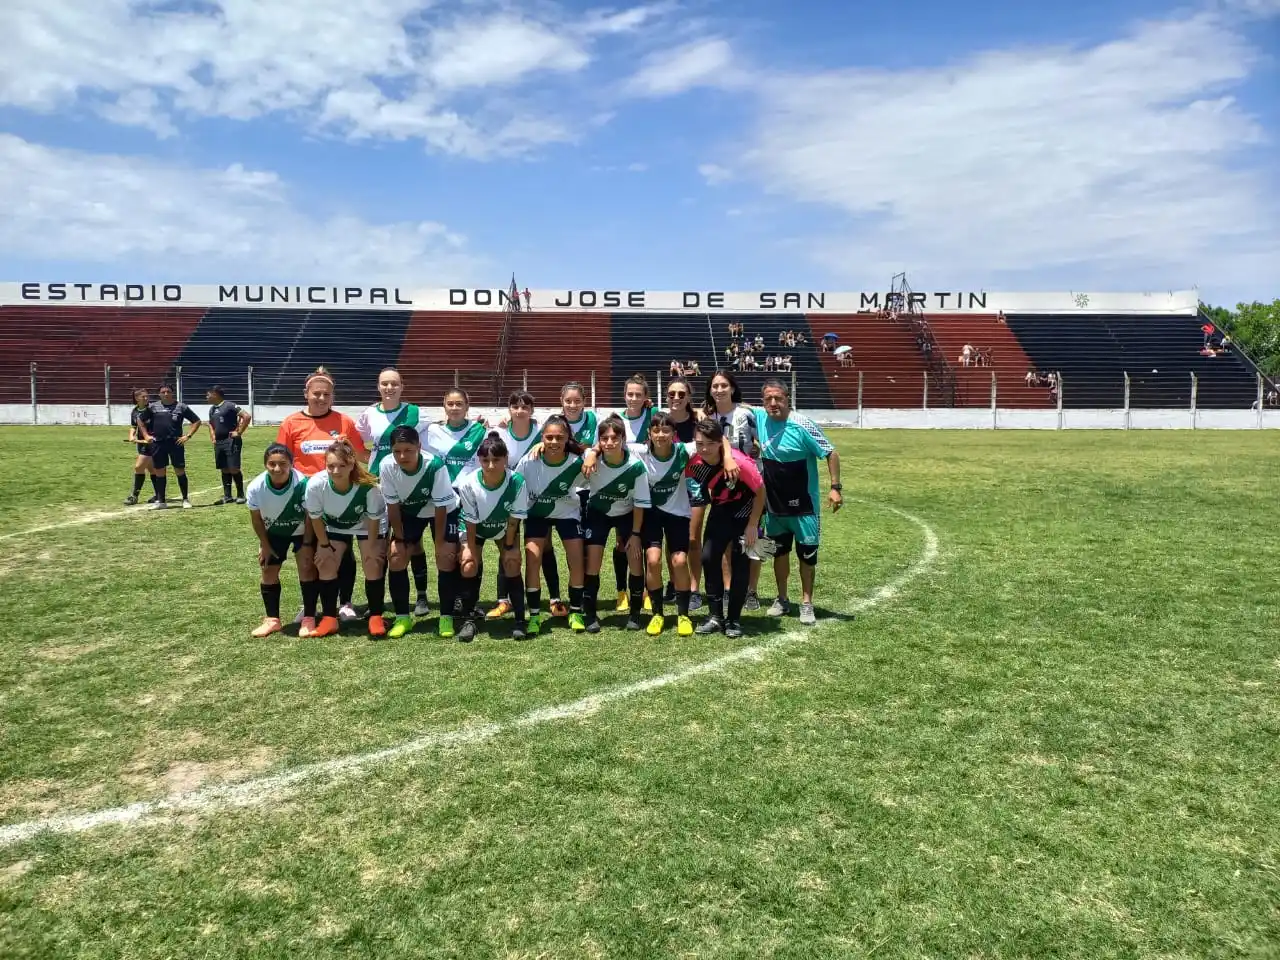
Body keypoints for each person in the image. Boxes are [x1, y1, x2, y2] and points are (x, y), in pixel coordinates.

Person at [276, 367, 367, 624]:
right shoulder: (291, 423)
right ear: (306, 394)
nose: (321, 398)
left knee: (343, 550)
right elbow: (281, 461)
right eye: (316, 393)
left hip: (339, 496)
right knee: (309, 552)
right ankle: (310, 605)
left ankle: (345, 603)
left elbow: (360, 456)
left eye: (326, 394)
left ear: (332, 396)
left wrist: (348, 446)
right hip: (305, 498)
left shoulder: (344, 422)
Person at [753, 379, 843, 625]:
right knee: (779, 553)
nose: (773, 403)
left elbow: (830, 452)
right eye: (768, 398)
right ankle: (782, 599)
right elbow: (731, 403)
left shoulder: (802, 424)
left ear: (787, 399)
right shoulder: (760, 417)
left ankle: (806, 603)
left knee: (807, 556)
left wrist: (835, 488)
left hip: (804, 506)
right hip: (775, 506)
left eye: (778, 398)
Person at [355, 368, 431, 617]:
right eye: (384, 384)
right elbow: (360, 443)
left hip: (406, 480)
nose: (389, 388)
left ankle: (421, 596)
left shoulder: (413, 412)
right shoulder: (368, 414)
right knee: (379, 542)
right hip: (378, 482)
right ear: (378, 386)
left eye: (394, 384)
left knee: (412, 542)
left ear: (402, 386)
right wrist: (367, 460)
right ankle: (380, 599)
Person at [685, 419, 766, 638]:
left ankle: (734, 620)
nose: (704, 448)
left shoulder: (739, 462)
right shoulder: (694, 463)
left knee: (741, 565)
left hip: (746, 516)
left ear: (720, 443)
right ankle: (715, 616)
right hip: (720, 513)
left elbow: (760, 492)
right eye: (699, 443)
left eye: (709, 443)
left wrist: (752, 525)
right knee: (709, 558)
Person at [380, 425, 457, 639]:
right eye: (397, 451)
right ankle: (403, 617)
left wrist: (440, 541)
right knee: (396, 556)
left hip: (441, 511)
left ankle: (446, 616)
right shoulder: (386, 466)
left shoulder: (434, 465)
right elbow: (392, 506)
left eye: (408, 450)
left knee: (446, 556)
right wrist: (401, 538)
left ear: (419, 447)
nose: (402, 456)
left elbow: (441, 507)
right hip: (410, 512)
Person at [305, 439, 388, 639]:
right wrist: (323, 546)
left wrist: (373, 545)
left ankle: (375, 617)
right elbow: (315, 518)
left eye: (341, 466)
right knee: (325, 562)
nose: (335, 470)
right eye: (330, 466)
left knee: (372, 562)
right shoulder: (316, 484)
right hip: (335, 525)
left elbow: (374, 520)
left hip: (366, 525)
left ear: (352, 464)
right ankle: (329, 619)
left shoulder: (369, 487)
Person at [423, 387, 489, 632]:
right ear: (444, 407)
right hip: (444, 501)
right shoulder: (431, 431)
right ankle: (450, 607)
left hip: (473, 498)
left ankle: (469, 602)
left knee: (471, 554)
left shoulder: (480, 431)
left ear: (467, 406)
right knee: (447, 556)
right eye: (450, 403)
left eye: (459, 403)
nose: (454, 407)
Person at [455, 432, 530, 642]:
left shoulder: (517, 481)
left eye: (496, 460)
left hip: (504, 527)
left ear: (506, 459)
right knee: (469, 564)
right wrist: (470, 549)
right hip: (475, 528)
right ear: (479, 460)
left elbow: (514, 520)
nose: (490, 465)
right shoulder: (468, 483)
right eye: (485, 460)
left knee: (512, 561)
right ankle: (469, 619)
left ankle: (519, 620)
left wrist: (508, 547)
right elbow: (470, 521)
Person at [518, 414, 589, 635]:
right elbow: (515, 485)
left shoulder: (578, 462)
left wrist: (590, 454)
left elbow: (602, 453)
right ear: (542, 438)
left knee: (577, 559)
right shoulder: (529, 460)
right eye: (549, 437)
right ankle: (535, 616)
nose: (554, 442)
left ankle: (576, 611)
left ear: (567, 437)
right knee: (532, 559)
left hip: (567, 513)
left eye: (560, 437)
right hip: (537, 514)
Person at [579, 415, 650, 633]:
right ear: (598, 441)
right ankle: (590, 614)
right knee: (593, 562)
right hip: (598, 513)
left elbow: (639, 504)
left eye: (614, 438)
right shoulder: (593, 459)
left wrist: (636, 534)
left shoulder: (635, 466)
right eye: (604, 438)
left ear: (623, 439)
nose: (609, 442)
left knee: (636, 560)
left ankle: (635, 614)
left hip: (628, 515)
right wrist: (591, 452)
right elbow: (571, 446)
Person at [539, 381, 598, 620]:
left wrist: (592, 452)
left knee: (579, 548)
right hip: (552, 492)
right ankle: (554, 598)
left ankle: (581, 598)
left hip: (583, 492)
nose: (572, 405)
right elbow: (543, 441)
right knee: (546, 547)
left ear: (584, 401)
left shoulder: (593, 420)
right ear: (561, 401)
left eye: (577, 400)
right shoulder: (554, 421)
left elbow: (600, 445)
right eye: (568, 401)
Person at [246, 444, 315, 638]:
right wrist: (265, 545)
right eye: (272, 464)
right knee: (268, 569)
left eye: (283, 464)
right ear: (265, 465)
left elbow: (310, 516)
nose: (277, 469)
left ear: (291, 464)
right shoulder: (255, 487)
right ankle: (272, 620)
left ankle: (309, 617)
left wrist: (308, 544)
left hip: (302, 531)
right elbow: (256, 519)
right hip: (274, 532)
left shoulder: (303, 484)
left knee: (307, 566)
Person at [487, 390, 542, 621]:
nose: (520, 411)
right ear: (509, 410)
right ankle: (503, 600)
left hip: (537, 497)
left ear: (532, 410)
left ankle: (555, 599)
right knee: (508, 547)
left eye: (525, 407)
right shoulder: (499, 432)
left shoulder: (540, 432)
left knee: (542, 549)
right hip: (509, 497)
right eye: (515, 407)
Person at [148, 384, 202, 509]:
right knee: (160, 472)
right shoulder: (153, 407)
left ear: (172, 393)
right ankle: (161, 501)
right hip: (158, 443)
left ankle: (185, 499)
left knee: (179, 470)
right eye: (163, 392)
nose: (166, 394)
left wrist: (187, 436)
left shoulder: (181, 407)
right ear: (159, 394)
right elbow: (140, 420)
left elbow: (196, 421)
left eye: (168, 391)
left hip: (175, 443)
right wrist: (146, 435)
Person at [206, 385, 252, 505]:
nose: (207, 396)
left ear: (215, 394)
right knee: (224, 468)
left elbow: (246, 416)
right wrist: (213, 435)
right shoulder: (212, 409)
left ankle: (241, 495)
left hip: (231, 440)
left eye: (208, 394)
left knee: (233, 468)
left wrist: (239, 432)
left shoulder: (230, 405)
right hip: (219, 442)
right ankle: (227, 496)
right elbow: (211, 423)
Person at [124, 387, 158, 505]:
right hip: (142, 443)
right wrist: (131, 436)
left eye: (147, 396)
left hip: (151, 444)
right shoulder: (135, 411)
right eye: (143, 396)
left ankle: (134, 495)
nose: (146, 398)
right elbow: (133, 426)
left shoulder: (152, 410)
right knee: (152, 469)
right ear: (137, 398)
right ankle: (159, 494)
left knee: (139, 467)